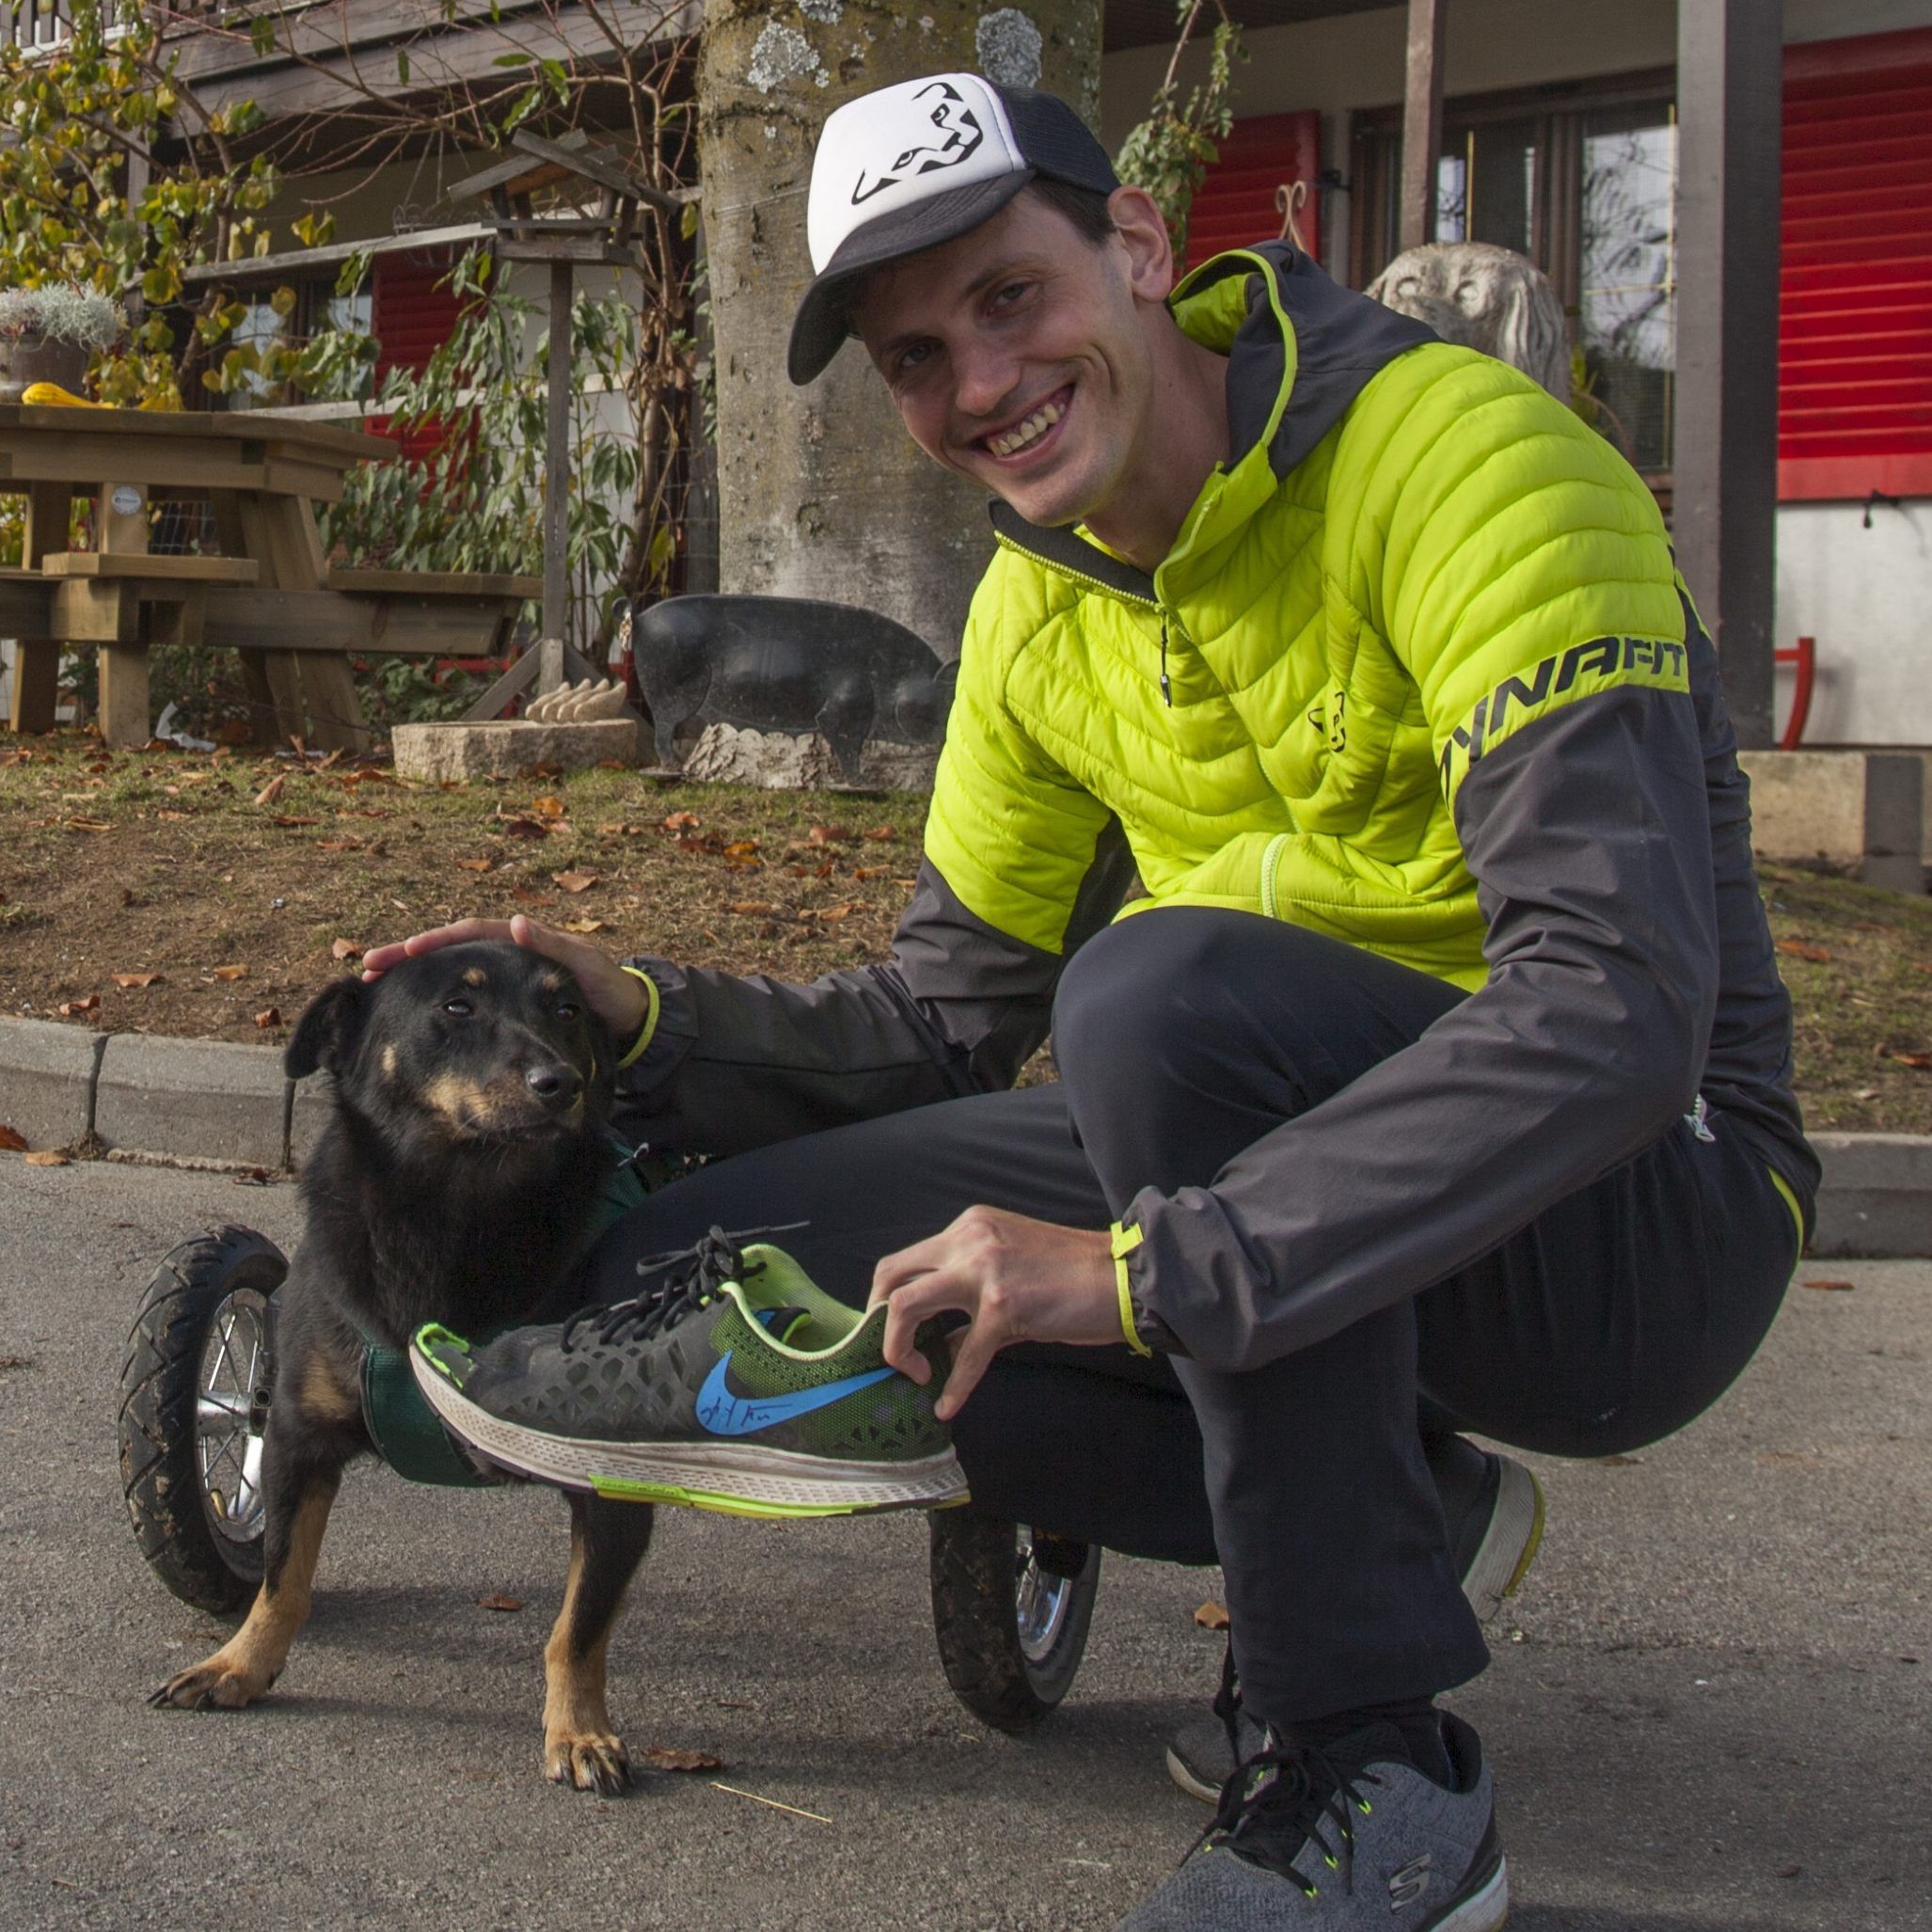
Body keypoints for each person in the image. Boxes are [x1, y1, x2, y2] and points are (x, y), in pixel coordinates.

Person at [362, 73, 1815, 1931]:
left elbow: (1611, 1005)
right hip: (1271, 1166)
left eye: (1008, 298)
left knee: (1156, 998)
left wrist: (1140, 1274)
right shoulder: (1036, 612)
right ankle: (1394, 1508)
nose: (979, 385)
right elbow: (934, 1021)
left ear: (1136, 244)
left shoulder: (1471, 467)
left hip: (1642, 1217)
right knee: (716, 1275)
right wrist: (639, 1013)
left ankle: (1369, 1767)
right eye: (915, 356)